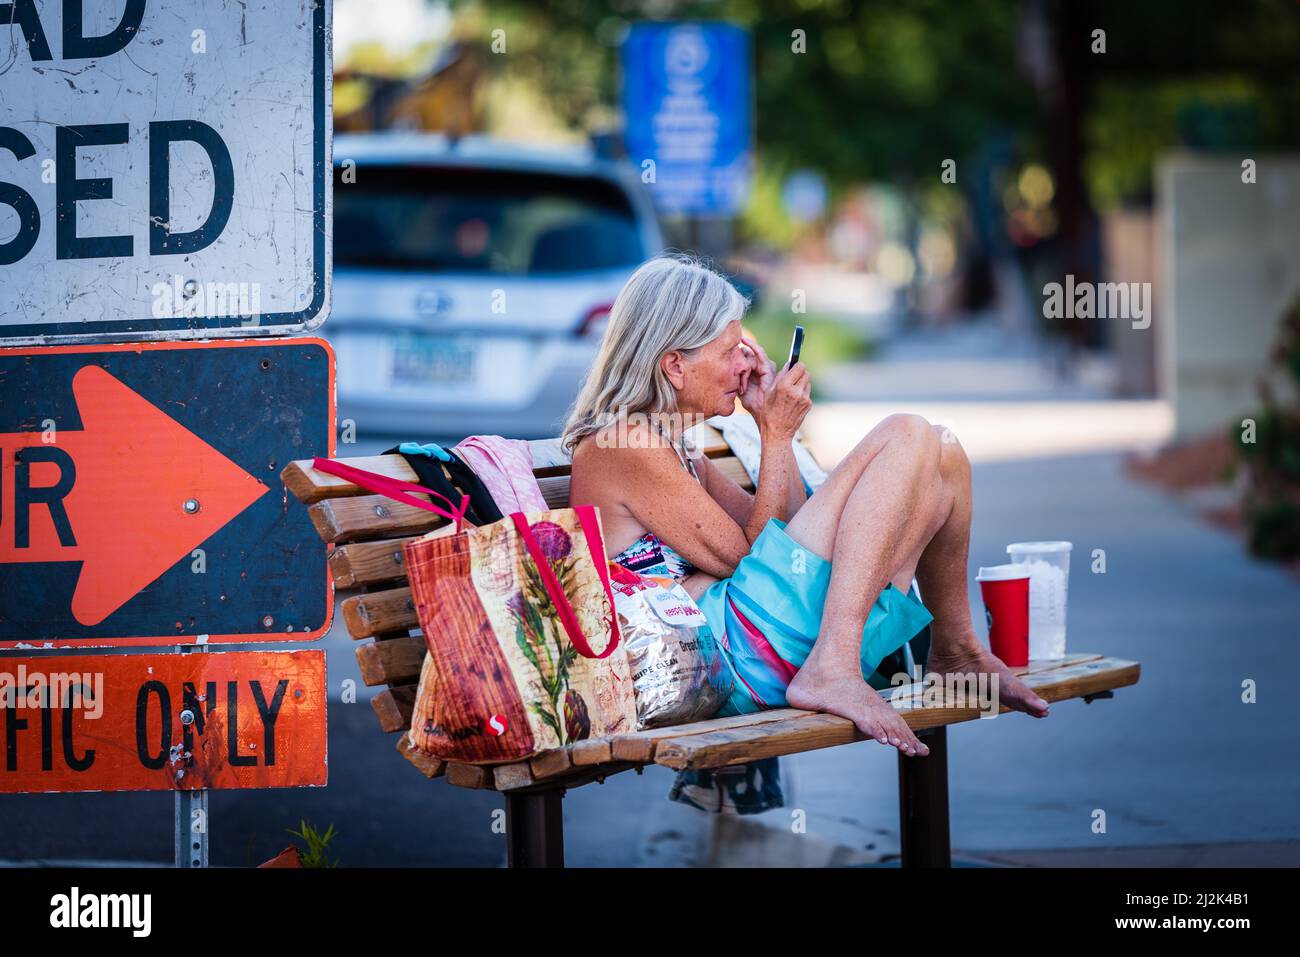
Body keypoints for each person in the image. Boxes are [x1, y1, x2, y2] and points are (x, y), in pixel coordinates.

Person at [563, 254, 1050, 769]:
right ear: (674, 364)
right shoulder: (622, 444)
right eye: (730, 351)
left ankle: (956, 650)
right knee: (907, 432)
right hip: (724, 661)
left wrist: (776, 434)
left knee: (944, 452)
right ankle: (834, 663)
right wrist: (774, 436)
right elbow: (752, 556)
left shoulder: (676, 448)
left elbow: (788, 533)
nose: (746, 365)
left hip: (751, 639)